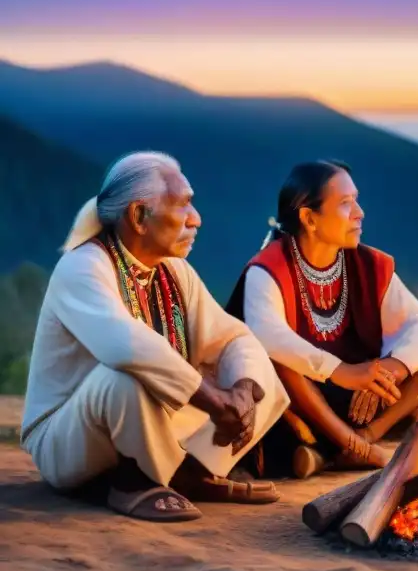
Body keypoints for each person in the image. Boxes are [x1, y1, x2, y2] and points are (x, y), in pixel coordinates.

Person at [20, 152, 289, 522]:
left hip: (146, 420)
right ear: (138, 216)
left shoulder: (175, 271)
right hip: (68, 440)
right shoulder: (82, 267)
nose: (196, 219)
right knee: (126, 373)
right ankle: (134, 481)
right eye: (183, 205)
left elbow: (233, 337)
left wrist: (241, 392)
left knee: (256, 371)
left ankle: (190, 475)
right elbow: (125, 345)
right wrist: (212, 399)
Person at [226, 160, 418, 479]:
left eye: (355, 200)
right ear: (309, 218)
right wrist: (343, 372)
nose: (359, 212)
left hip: (354, 402)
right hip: (294, 403)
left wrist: (387, 372)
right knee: (279, 361)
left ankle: (358, 440)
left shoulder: (369, 264)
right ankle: (352, 447)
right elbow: (267, 334)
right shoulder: (268, 268)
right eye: (345, 203)